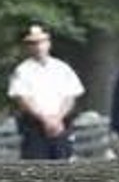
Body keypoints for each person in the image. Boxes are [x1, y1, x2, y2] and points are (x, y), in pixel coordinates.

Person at [7, 23, 85, 160]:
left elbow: (70, 96)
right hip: (35, 128)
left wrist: (57, 119)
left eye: (41, 42)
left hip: (61, 126)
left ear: (48, 43)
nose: (38, 47)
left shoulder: (62, 68)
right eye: (33, 43)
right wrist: (45, 120)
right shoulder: (22, 71)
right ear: (28, 46)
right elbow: (23, 99)